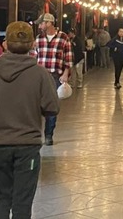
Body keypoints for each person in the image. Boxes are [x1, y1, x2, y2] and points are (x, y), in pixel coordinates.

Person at [0, 21, 60, 219]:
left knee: (2, 199)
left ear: (5, 43)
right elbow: (52, 107)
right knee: (22, 202)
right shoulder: (40, 73)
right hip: (27, 146)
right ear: (32, 44)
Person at [34, 13, 73, 146]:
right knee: (36, 105)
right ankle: (35, 133)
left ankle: (49, 134)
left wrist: (66, 74)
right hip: (40, 76)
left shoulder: (63, 38)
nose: (39, 26)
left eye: (41, 23)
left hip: (56, 75)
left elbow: (68, 57)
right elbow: (35, 57)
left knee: (52, 106)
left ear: (49, 23)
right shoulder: (38, 39)